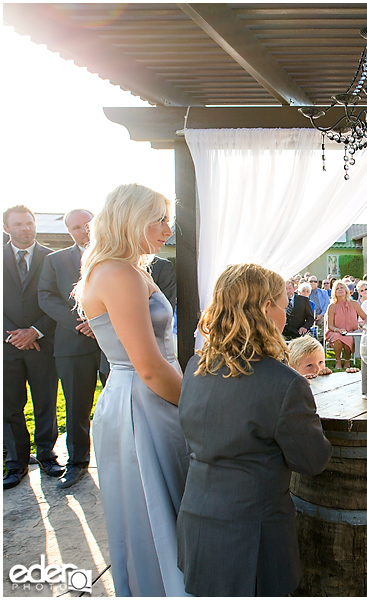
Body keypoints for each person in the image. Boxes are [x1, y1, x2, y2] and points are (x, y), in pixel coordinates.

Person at [177, 263, 332, 596]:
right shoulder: (283, 383)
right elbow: (312, 461)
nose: (286, 313)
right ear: (265, 309)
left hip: (197, 523)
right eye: (283, 304)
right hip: (254, 540)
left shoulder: (195, 366)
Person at [73, 183, 190, 595]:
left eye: (167, 220)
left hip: (143, 398)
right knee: (153, 512)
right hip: (143, 403)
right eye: (159, 220)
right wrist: (196, 408)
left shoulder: (125, 269)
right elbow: (149, 367)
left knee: (162, 505)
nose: (167, 230)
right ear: (131, 218)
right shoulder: (119, 274)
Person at [38, 209, 106, 489]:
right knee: (77, 407)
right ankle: (77, 463)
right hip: (72, 344)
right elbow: (46, 296)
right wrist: (80, 322)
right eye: (76, 227)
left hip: (111, 343)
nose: (84, 231)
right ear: (69, 232)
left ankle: (127, 460)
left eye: (88, 224)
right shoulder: (54, 261)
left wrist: (101, 322)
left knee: (119, 405)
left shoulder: (114, 255)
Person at [3, 204, 61, 490]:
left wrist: (35, 331)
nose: (26, 228)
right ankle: (16, 463)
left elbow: (58, 299)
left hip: (43, 343)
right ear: (6, 228)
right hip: (8, 345)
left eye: (29, 223)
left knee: (45, 402)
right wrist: (13, 335)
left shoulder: (52, 258)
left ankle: (47, 455)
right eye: (18, 224)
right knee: (10, 406)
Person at [324, 280, 367, 373]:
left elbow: (365, 317)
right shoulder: (332, 306)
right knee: (338, 338)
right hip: (335, 331)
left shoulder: (354, 303)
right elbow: (330, 326)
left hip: (351, 331)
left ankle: (347, 361)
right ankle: (338, 361)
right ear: (334, 292)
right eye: (337, 289)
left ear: (346, 290)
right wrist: (338, 330)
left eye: (342, 288)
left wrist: (365, 326)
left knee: (349, 337)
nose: (340, 290)